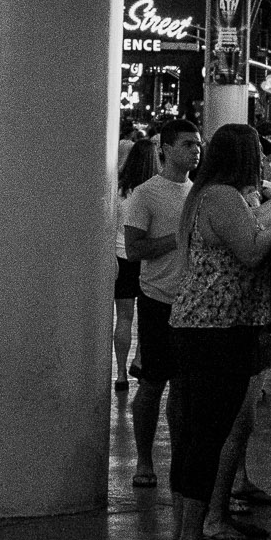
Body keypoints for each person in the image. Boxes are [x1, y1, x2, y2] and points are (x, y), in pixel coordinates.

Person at [166, 125, 271, 540]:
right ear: (245, 155)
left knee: (199, 433)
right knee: (206, 435)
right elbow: (253, 249)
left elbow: (258, 247)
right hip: (215, 329)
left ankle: (184, 532)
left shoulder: (214, 195)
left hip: (208, 327)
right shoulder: (221, 197)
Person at [122, 118, 201, 490]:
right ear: (165, 149)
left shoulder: (199, 191)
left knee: (184, 386)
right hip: (157, 301)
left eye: (197, 145)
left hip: (193, 302)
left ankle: (181, 458)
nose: (195, 150)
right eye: (187, 144)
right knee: (152, 383)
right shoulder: (145, 195)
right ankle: (144, 458)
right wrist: (177, 238)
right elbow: (135, 250)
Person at [112, 139, 158, 392]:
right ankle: (141, 363)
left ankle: (120, 374)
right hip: (148, 259)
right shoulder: (155, 192)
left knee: (124, 318)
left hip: (122, 257)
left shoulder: (119, 190)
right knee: (147, 319)